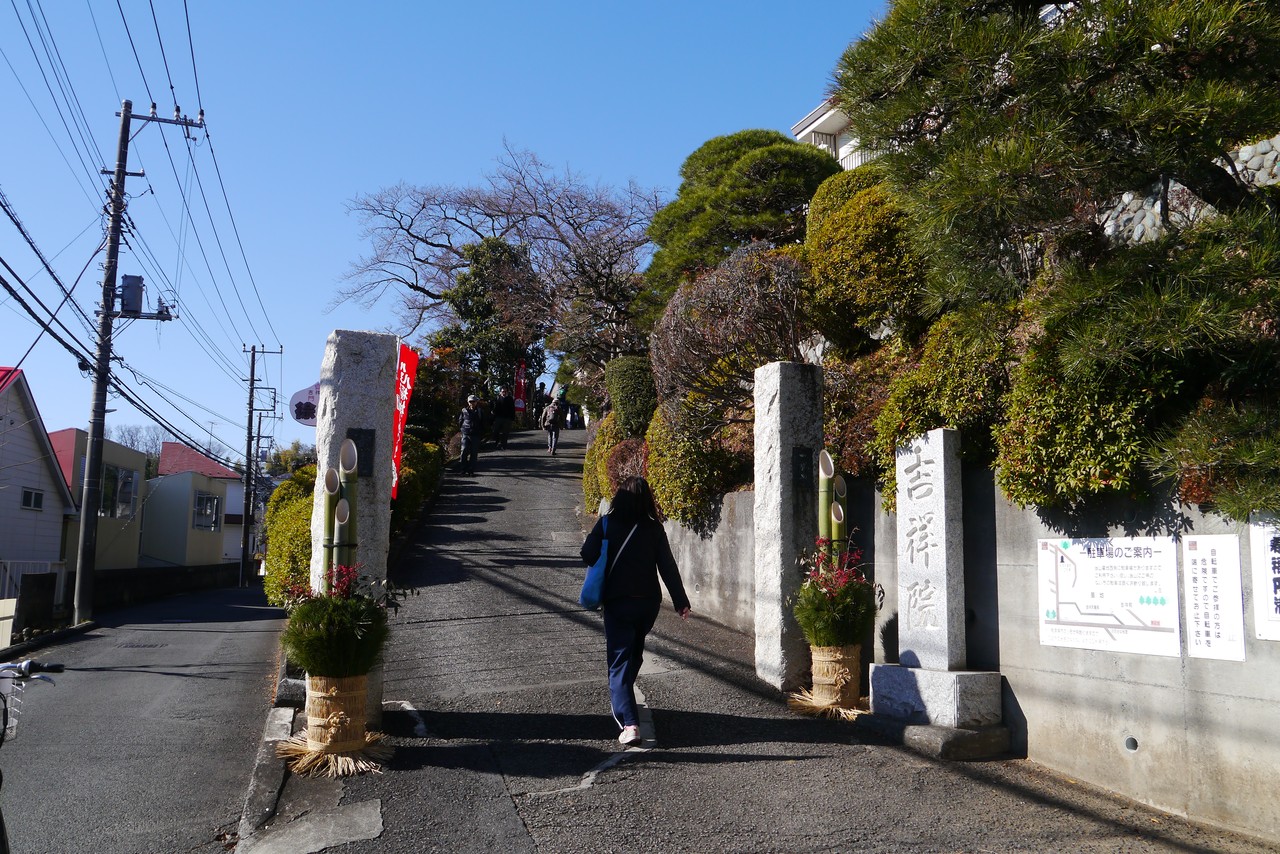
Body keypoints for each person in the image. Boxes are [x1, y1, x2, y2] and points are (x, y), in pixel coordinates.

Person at [580, 476, 691, 746]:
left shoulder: (607, 523)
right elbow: (667, 567)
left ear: (620, 497)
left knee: (619, 661)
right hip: (647, 604)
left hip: (618, 603)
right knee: (634, 655)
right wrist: (680, 601)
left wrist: (602, 544)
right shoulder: (654, 529)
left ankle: (630, 724)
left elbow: (587, 554)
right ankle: (624, 697)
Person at [458, 394, 483, 474]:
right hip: (465, 433)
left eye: (473, 401)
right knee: (464, 450)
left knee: (474, 452)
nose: (472, 403)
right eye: (470, 401)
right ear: (468, 402)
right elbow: (460, 421)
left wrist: (481, 432)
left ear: (476, 402)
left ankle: (471, 469)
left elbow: (483, 422)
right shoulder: (464, 410)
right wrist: (462, 430)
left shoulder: (479, 411)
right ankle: (463, 469)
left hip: (475, 434)